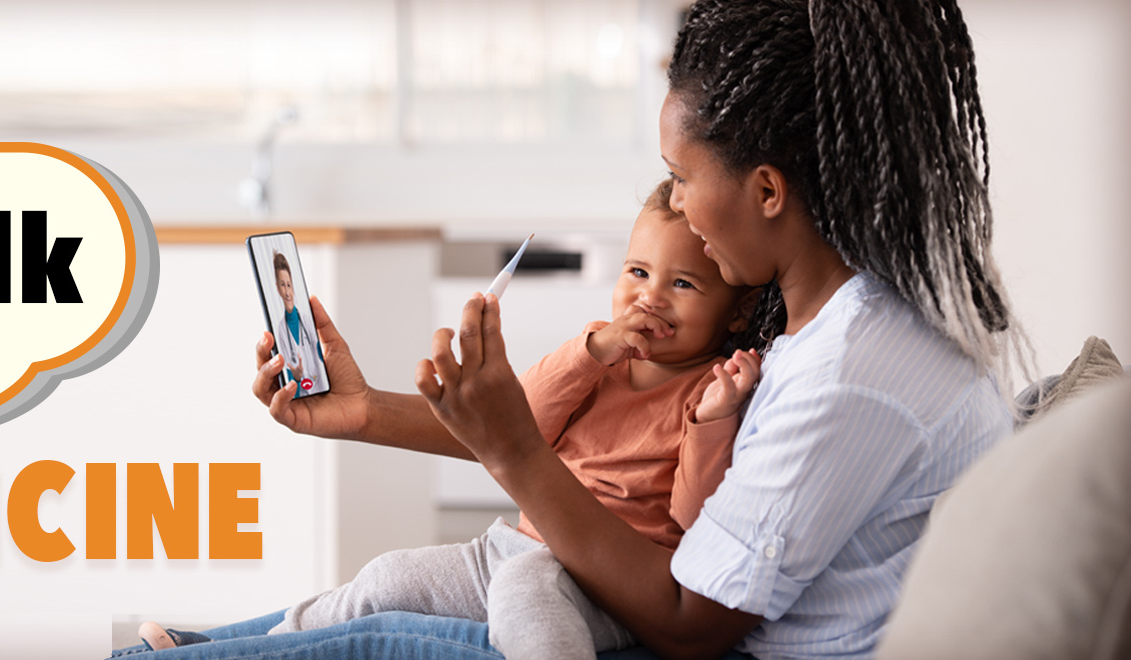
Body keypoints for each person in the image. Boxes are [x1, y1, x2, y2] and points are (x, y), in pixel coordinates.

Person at [110, 1, 1028, 658]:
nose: (674, 205)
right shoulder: (824, 320)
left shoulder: (844, 371)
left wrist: (516, 455)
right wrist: (368, 412)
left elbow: (687, 614)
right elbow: (547, 434)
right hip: (595, 584)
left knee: (390, 631)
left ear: (767, 191)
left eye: (680, 175)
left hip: (640, 622)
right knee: (384, 589)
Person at [130, 180, 764, 660]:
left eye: (683, 284)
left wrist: (713, 423)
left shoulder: (711, 393)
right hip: (511, 546)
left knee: (526, 595)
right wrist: (594, 351)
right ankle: (221, 650)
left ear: (736, 313)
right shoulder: (596, 354)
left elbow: (691, 523)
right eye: (638, 272)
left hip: (602, 580)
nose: (650, 296)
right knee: (385, 578)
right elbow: (521, 422)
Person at [270, 252, 329, 398]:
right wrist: (296, 378)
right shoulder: (281, 331)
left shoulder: (307, 320)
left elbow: (324, 357)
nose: (287, 292)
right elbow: (291, 388)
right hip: (303, 397)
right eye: (283, 286)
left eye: (289, 285)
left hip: (322, 388)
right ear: (277, 289)